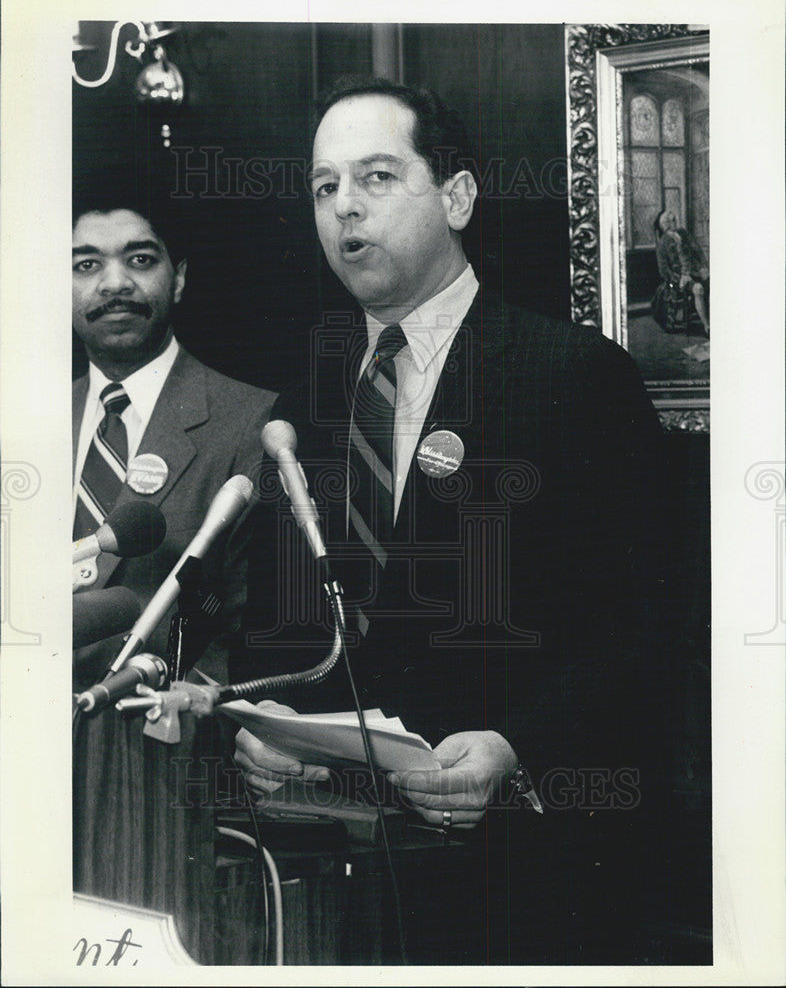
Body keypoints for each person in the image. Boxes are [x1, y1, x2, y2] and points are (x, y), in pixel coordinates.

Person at [234, 80, 672, 963]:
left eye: (378, 176)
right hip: (338, 885)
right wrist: (263, 732)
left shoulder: (576, 375)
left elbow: (647, 632)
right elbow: (279, 629)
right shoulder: (306, 406)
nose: (345, 206)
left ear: (459, 197)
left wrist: (517, 748)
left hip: (530, 878)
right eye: (324, 187)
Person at [72, 195, 276, 684]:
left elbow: (258, 626)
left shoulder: (254, 421)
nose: (115, 283)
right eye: (86, 264)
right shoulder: (22, 423)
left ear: (179, 278)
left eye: (140, 260)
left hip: (172, 741)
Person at [652, 208, 710, 335]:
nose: (675, 221)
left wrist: (703, 267)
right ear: (665, 225)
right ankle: (707, 326)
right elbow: (664, 271)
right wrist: (680, 279)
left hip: (694, 271)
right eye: (671, 220)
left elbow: (697, 250)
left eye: (674, 219)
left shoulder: (683, 233)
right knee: (698, 289)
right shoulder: (662, 244)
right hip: (679, 280)